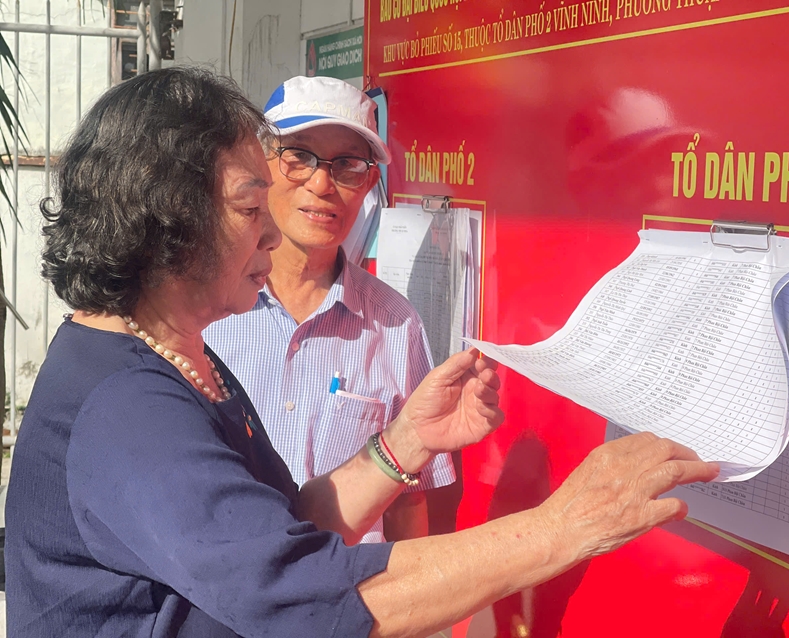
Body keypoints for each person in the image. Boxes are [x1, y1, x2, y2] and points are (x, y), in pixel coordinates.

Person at [4, 66, 719, 638]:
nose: (273, 234)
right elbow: (302, 594)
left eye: (349, 166)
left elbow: (284, 529)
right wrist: (564, 527)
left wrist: (401, 443)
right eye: (252, 207)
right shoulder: (127, 407)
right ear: (168, 219)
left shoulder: (176, 356)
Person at [203, 75, 453, 543]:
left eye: (348, 165)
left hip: (348, 586)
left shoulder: (396, 325)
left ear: (370, 182)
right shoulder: (205, 308)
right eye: (299, 157)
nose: (321, 184)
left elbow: (408, 501)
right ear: (261, 165)